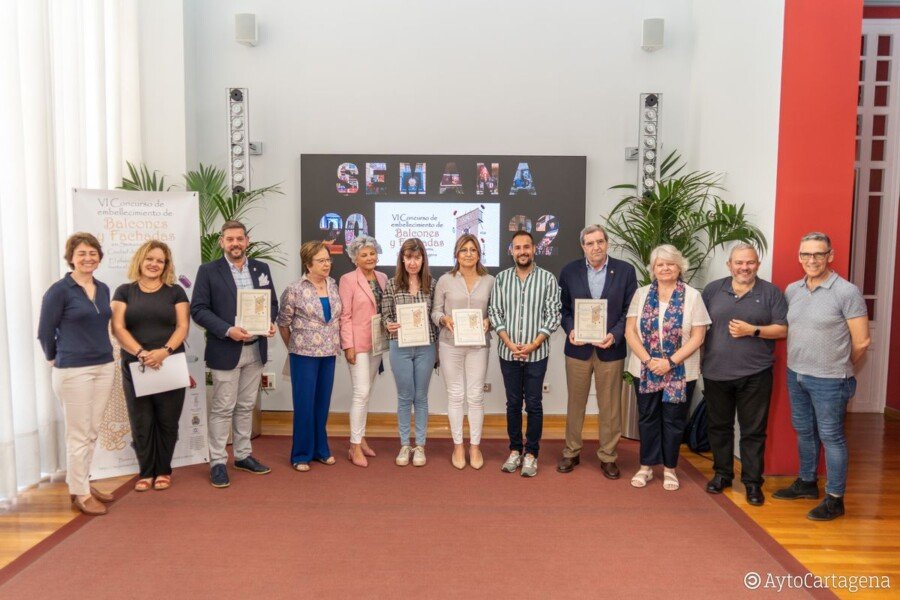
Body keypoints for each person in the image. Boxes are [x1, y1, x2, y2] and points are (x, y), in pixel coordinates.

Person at [773, 232, 870, 521]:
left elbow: (862, 341)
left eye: (818, 254)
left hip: (831, 380)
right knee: (804, 431)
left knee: (831, 437)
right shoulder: (793, 290)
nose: (812, 260)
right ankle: (807, 483)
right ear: (799, 257)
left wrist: (840, 367)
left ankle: (835, 499)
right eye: (806, 254)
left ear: (830, 255)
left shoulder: (847, 292)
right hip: (796, 374)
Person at [191, 220, 278, 488]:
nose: (235, 244)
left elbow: (272, 303)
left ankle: (242, 455)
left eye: (239, 239)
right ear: (222, 242)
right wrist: (228, 330)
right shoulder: (208, 271)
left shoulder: (261, 269)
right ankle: (218, 461)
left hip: (255, 349)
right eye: (230, 239)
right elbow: (199, 309)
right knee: (222, 407)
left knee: (245, 406)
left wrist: (269, 322)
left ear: (247, 241)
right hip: (225, 349)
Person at [701, 243, 787, 506]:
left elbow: (782, 330)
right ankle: (722, 475)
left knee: (753, 431)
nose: (744, 267)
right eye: (739, 262)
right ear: (730, 265)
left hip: (756, 374)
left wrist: (753, 330)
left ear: (757, 265)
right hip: (716, 372)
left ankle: (752, 483)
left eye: (750, 262)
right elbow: (698, 327)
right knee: (719, 427)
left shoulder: (771, 293)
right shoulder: (712, 290)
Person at [37, 233, 116, 516]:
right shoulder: (59, 291)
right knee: (79, 435)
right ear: (71, 257)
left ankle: (81, 483)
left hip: (104, 365)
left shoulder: (103, 288)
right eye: (82, 253)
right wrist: (53, 357)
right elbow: (45, 331)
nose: (88, 258)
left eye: (93, 253)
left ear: (99, 257)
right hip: (73, 370)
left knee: (91, 431)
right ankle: (81, 493)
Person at [624, 244, 710, 491]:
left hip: (681, 371)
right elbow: (630, 332)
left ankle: (670, 469)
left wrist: (670, 362)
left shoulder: (692, 296)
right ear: (653, 269)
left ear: (679, 267)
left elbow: (698, 336)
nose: (665, 268)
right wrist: (649, 361)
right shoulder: (641, 294)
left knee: (674, 420)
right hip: (645, 368)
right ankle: (646, 466)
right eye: (659, 264)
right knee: (648, 418)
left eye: (670, 264)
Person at [557, 225, 637, 479]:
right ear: (583, 246)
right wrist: (570, 329)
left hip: (610, 349)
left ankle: (608, 456)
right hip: (578, 349)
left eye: (600, 241)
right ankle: (571, 451)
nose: (596, 247)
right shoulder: (569, 271)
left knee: (610, 406)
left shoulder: (625, 271)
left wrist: (614, 334)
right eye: (590, 243)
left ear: (607, 243)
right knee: (575, 403)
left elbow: (630, 310)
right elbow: (563, 309)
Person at [111, 241, 190, 492]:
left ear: (166, 266)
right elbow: (118, 327)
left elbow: (183, 326)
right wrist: (141, 353)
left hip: (170, 362)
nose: (154, 264)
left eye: (160, 261)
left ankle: (163, 470)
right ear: (140, 260)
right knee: (141, 421)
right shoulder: (124, 291)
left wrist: (164, 351)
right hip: (136, 365)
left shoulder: (176, 292)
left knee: (168, 421)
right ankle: (146, 472)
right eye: (150, 259)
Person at [488, 230, 561, 477]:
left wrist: (534, 343)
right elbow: (495, 311)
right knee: (512, 404)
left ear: (534, 249)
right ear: (512, 251)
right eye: (517, 247)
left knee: (534, 404)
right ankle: (514, 450)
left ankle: (531, 454)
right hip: (507, 352)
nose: (522, 252)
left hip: (536, 354)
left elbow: (553, 315)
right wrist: (509, 343)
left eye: (526, 247)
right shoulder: (501, 279)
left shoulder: (548, 279)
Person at [278, 241, 342, 471]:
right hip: (303, 355)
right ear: (308, 264)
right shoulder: (294, 289)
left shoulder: (333, 285)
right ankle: (301, 454)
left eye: (328, 260)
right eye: (321, 261)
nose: (327, 264)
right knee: (305, 405)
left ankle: (320, 449)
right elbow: (283, 323)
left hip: (329, 353)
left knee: (322, 404)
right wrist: (294, 347)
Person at [431, 234, 495, 469]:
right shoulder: (445, 280)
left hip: (478, 345)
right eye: (464, 250)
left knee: (475, 396)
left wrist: (489, 321)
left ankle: (475, 447)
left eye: (473, 250)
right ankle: (458, 445)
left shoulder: (490, 281)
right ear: (456, 254)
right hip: (450, 344)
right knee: (456, 395)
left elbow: (496, 311)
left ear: (479, 254)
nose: (468, 254)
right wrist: (444, 319)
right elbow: (435, 311)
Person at [381, 238, 437, 467]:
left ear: (423, 259)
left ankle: (420, 446)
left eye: (417, 257)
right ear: (402, 259)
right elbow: (385, 315)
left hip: (426, 347)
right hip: (399, 346)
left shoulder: (432, 284)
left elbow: (435, 317)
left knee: (421, 397)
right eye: (408, 257)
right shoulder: (392, 284)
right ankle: (405, 445)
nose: (413, 262)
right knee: (405, 396)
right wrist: (389, 324)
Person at [338, 235, 388, 467]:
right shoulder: (348, 280)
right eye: (364, 254)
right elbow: (345, 315)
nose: (369, 258)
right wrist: (348, 345)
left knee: (366, 394)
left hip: (376, 343)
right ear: (355, 259)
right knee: (361, 393)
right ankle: (354, 446)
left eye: (372, 253)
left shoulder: (383, 278)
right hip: (357, 345)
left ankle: (361, 439)